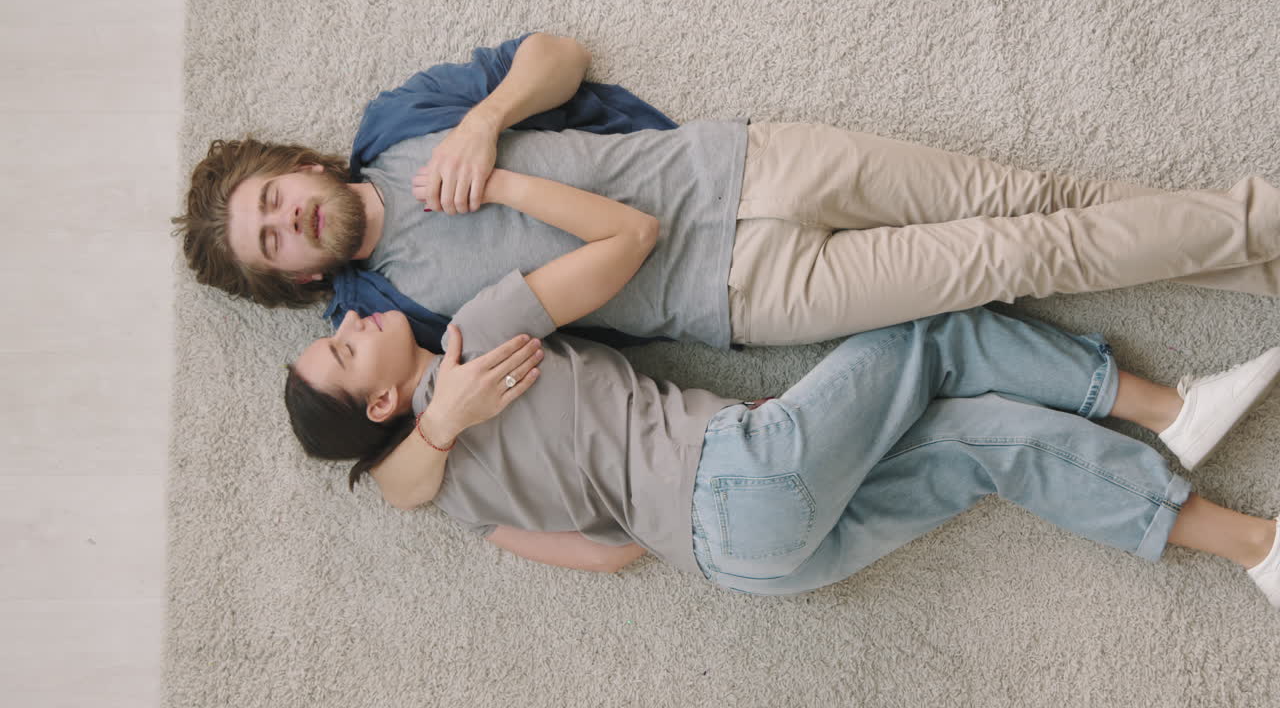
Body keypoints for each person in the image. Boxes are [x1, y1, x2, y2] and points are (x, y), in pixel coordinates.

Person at [281, 160, 1280, 606]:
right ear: (377, 403)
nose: (350, 322)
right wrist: (495, 183)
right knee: (924, 325)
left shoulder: (453, 503)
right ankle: (1172, 409)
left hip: (753, 569)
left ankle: (1255, 548)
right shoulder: (467, 342)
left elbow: (608, 558)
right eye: (341, 350)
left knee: (990, 447)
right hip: (735, 476)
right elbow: (629, 236)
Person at [175, 32, 1280, 357]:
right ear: (295, 276)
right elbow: (411, 452)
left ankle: (1257, 254)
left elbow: (554, 52)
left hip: (745, 161)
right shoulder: (384, 319)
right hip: (742, 293)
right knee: (1012, 257)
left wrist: (480, 120)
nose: (287, 221)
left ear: (302, 165)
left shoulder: (397, 125)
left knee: (1037, 194)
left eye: (274, 197)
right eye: (270, 243)